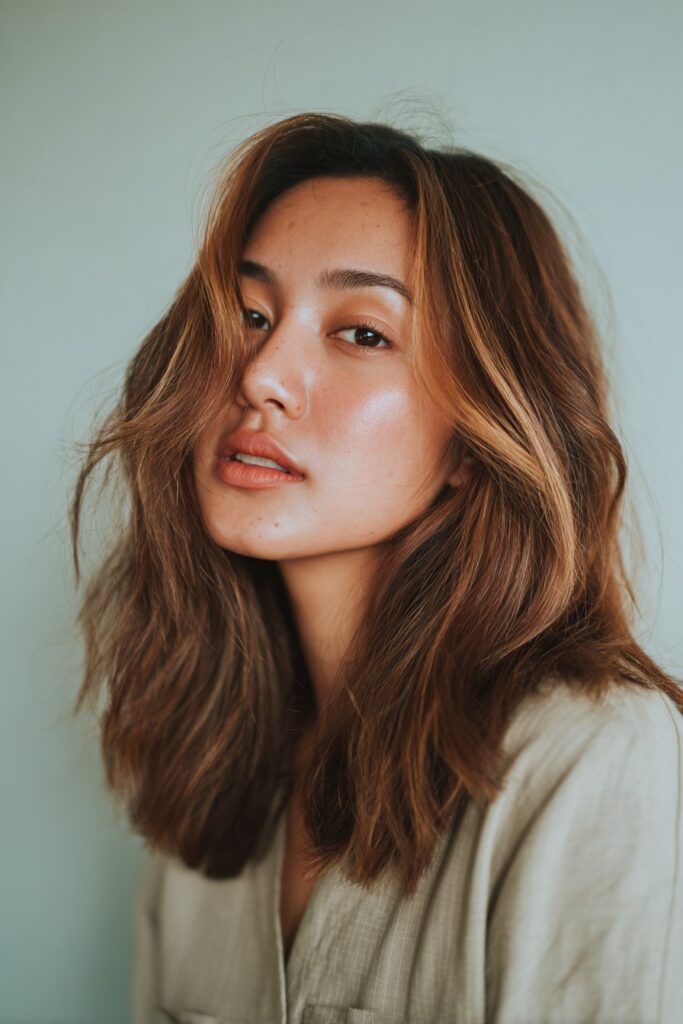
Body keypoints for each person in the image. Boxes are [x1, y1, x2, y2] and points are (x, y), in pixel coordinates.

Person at [69, 112, 683, 1024]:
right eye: (248, 314)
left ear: (478, 437)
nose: (261, 373)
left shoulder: (591, 759)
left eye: (361, 333)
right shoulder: (210, 777)